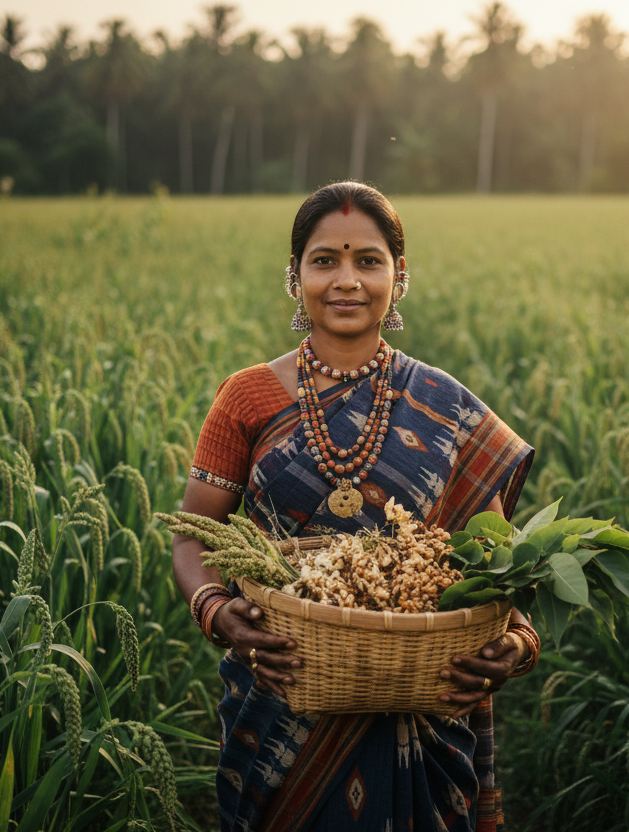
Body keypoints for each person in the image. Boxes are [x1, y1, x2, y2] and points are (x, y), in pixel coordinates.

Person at [170, 181, 540, 832]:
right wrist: (219, 611)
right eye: (324, 261)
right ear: (294, 278)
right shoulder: (247, 399)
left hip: (419, 704)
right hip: (279, 696)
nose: (347, 280)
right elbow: (191, 538)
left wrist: (516, 641)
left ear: (400, 279)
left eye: (369, 261)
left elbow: (494, 565)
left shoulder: (444, 405)